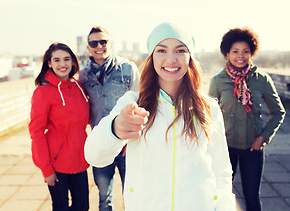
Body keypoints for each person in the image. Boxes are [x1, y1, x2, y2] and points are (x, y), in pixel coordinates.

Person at [84, 22, 235, 211]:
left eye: (180, 50)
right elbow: (93, 156)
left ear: (190, 57)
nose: (171, 59)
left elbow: (221, 171)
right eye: (161, 51)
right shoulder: (133, 103)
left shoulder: (208, 107)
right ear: (152, 57)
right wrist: (114, 130)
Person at [209, 28, 286, 211]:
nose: (240, 56)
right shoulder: (217, 81)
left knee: (252, 198)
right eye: (235, 51)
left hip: (253, 149)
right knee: (221, 195)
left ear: (251, 53)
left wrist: (263, 137)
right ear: (227, 53)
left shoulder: (262, 80)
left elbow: (278, 112)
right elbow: (209, 116)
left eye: (245, 51)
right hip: (225, 149)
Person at [79, 26, 139, 211]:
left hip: (127, 145)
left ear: (110, 44)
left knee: (133, 194)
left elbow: (141, 101)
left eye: (103, 42)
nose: (99, 46)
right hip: (102, 144)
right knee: (104, 198)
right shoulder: (83, 75)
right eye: (94, 43)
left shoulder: (127, 69)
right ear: (88, 48)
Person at [29, 42, 90, 211]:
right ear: (49, 63)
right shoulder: (43, 92)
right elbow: (36, 131)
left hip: (79, 160)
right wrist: (46, 169)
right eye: (56, 60)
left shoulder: (78, 87)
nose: (62, 64)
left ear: (72, 62)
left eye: (66, 59)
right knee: (61, 207)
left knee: (82, 206)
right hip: (57, 163)